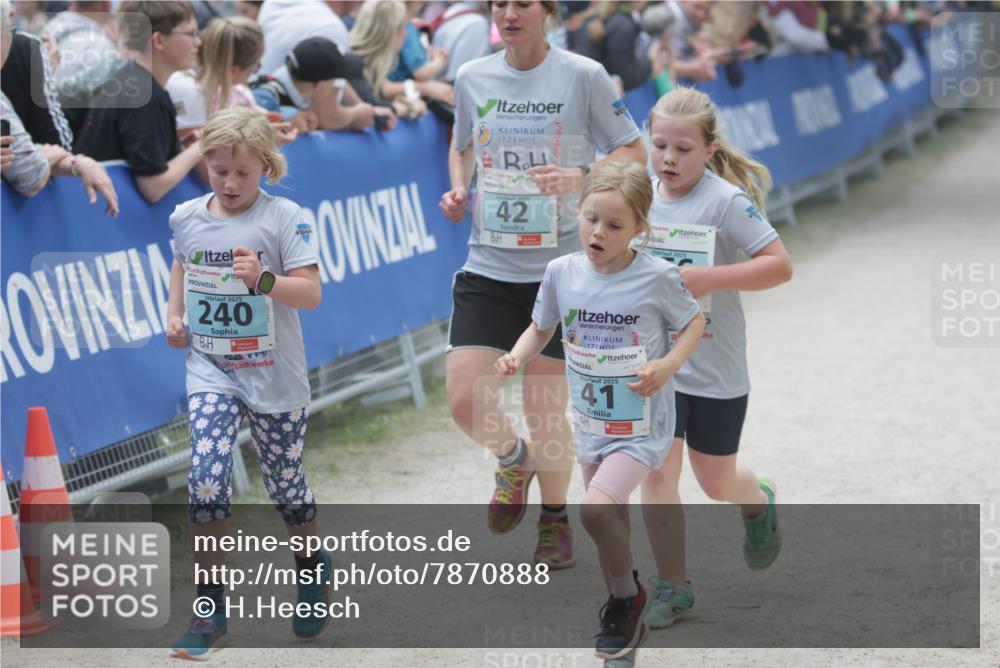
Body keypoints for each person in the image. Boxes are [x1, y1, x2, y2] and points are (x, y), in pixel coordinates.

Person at [439, 0, 647, 571]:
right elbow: (462, 142)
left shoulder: (583, 74)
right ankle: (514, 459)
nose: (509, 14)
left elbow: (633, 151)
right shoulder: (472, 75)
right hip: (488, 263)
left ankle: (554, 520)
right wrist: (459, 188)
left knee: (546, 407)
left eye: (522, 3)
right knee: (464, 398)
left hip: (560, 269)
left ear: (547, 11)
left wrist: (580, 176)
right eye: (499, 4)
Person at [494, 161, 705, 660]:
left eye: (614, 225)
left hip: (641, 426)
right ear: (578, 212)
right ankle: (624, 636)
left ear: (639, 229)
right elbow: (541, 327)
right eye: (591, 219)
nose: (598, 233)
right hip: (591, 423)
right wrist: (515, 357)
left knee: (593, 509)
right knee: (614, 523)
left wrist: (668, 365)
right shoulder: (560, 272)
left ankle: (627, 598)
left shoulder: (657, 277)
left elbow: (694, 322)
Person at [164, 106, 327, 659]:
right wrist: (175, 315)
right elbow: (182, 263)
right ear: (204, 164)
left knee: (285, 486)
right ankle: (209, 611)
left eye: (243, 172)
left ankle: (311, 564)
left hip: (274, 375)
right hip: (212, 369)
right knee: (206, 479)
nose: (230, 183)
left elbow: (311, 293)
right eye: (219, 171)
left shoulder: (285, 218)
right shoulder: (186, 216)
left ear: (266, 168)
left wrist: (263, 279)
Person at [638, 87, 793, 629]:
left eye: (683, 149)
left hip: (713, 365)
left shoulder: (725, 201)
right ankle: (672, 585)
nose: (669, 158)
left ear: (708, 150)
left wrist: (708, 278)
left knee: (715, 482)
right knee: (657, 472)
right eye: (660, 145)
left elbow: (779, 265)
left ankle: (757, 502)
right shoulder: (639, 194)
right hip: (656, 364)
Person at [73, 0, 203, 203]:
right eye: (191, 34)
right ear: (158, 40)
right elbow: (153, 187)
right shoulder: (146, 96)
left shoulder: (133, 80)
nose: (198, 42)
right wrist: (201, 147)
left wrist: (176, 148)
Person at [1, 0, 118, 214]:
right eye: (10, 27)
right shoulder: (30, 46)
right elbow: (30, 170)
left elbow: (24, 157)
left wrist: (74, 163)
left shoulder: (40, 39)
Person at [166, 15, 299, 143]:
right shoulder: (188, 93)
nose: (256, 71)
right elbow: (201, 155)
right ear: (233, 70)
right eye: (254, 66)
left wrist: (259, 121)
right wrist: (260, 138)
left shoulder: (232, 90)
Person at [349, 0, 452, 118]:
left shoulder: (369, 63)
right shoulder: (354, 65)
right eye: (401, 28)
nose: (405, 34)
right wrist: (407, 106)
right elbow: (373, 104)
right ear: (386, 32)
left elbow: (381, 87)